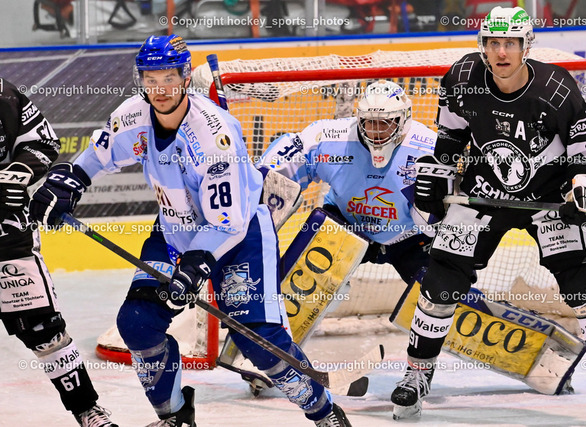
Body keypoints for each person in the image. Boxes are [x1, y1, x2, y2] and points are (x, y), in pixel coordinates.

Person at [29, 35, 351, 427]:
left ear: (184, 78)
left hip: (239, 238)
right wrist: (70, 179)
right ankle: (176, 417)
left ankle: (323, 412)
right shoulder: (134, 115)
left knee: (259, 342)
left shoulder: (215, 136)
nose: (160, 89)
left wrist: (196, 265)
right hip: (173, 233)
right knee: (138, 323)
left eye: (168, 78)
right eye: (151, 80)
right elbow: (100, 153)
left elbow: (228, 223)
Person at [396, 6, 586, 425]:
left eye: (511, 43)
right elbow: (451, 138)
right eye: (494, 43)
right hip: (485, 192)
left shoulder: (556, 89)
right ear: (483, 46)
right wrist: (438, 176)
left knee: (581, 286)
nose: (502, 52)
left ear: (527, 46)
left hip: (548, 197)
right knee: (441, 282)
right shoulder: (462, 79)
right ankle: (417, 375)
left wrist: (583, 185)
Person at [0, 78, 117, 426]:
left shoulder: (4, 94)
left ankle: (87, 410)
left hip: (7, 234)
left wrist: (19, 171)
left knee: (44, 330)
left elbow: (43, 141)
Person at [258, 79, 437, 296]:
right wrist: (259, 196)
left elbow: (450, 211)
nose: (376, 131)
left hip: (409, 237)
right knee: (297, 289)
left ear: (404, 119)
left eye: (385, 123)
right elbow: (278, 169)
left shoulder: (428, 148)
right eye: (370, 122)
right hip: (346, 225)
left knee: (440, 292)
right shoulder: (329, 138)